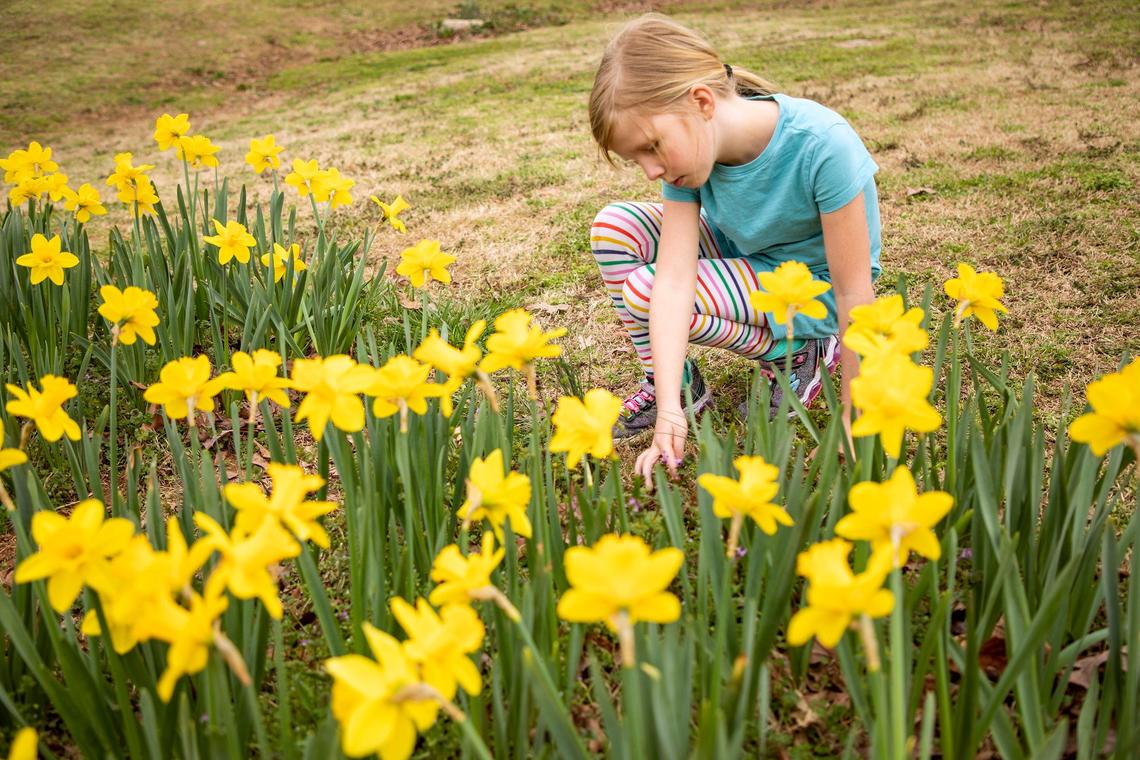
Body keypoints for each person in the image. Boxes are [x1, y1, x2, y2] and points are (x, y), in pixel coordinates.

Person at [588, 13, 880, 483]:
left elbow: (853, 291)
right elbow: (676, 277)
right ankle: (681, 391)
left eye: (652, 147)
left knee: (646, 289)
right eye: (636, 159)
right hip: (746, 262)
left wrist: (855, 413)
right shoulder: (692, 158)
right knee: (613, 227)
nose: (650, 170)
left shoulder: (822, 145)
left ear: (701, 101)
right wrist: (669, 411)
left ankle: (800, 353)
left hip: (812, 292)